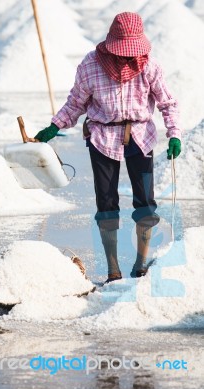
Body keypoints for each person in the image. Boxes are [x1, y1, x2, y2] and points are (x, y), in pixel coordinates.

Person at [34, 12, 181, 283]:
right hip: (102, 137)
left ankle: (141, 263)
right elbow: (76, 102)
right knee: (106, 203)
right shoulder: (91, 65)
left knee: (146, 204)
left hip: (140, 137)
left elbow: (166, 103)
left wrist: (174, 134)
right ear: (111, 44)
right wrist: (55, 125)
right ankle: (113, 268)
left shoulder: (149, 66)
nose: (126, 58)